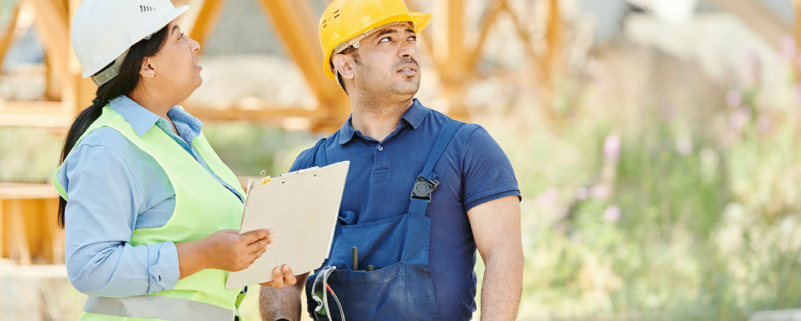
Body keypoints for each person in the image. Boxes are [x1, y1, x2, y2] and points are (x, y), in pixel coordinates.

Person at [259, 0, 524, 320]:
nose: (407, 49)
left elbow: (502, 254)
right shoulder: (311, 168)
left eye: (410, 37)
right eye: (386, 39)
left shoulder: (466, 147)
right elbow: (280, 280)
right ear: (345, 65)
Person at [54, 0, 295, 319]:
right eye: (179, 36)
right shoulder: (107, 147)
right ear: (147, 65)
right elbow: (91, 268)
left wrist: (247, 263)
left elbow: (193, 242)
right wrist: (204, 255)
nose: (194, 44)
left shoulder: (184, 133)